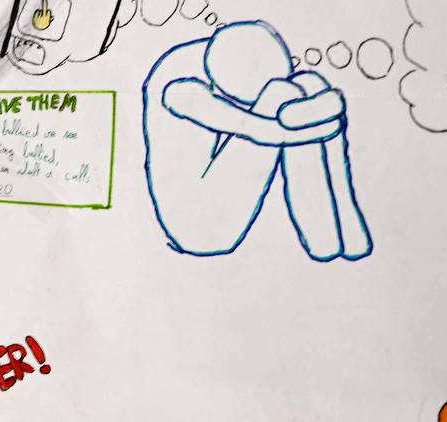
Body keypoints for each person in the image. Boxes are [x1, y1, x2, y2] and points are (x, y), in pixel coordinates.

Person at [142, 19, 371, 261]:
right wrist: (319, 128)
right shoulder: (179, 86)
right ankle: (323, 241)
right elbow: (254, 129)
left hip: (217, 198)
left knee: (309, 83)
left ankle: (347, 233)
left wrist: (322, 115)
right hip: (198, 224)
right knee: (284, 94)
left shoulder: (241, 53)